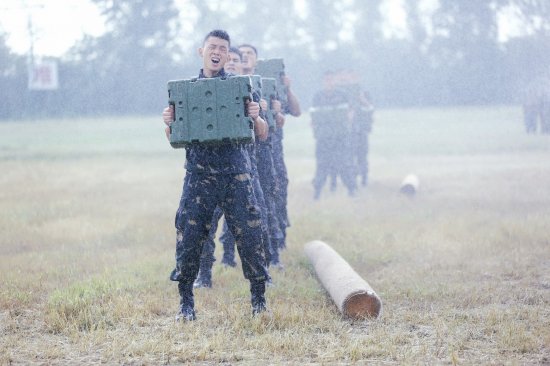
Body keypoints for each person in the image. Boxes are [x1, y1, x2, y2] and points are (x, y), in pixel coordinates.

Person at [162, 30, 269, 321]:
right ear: (202, 51)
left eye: (223, 48)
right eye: (212, 46)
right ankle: (186, 304)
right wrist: (168, 122)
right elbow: (174, 139)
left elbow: (262, 134)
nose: (217, 51)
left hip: (237, 174)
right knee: (190, 236)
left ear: (226, 54)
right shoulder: (186, 91)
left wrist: (256, 115)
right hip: (199, 175)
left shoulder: (242, 87)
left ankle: (259, 301)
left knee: (250, 235)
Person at [240, 44, 301, 256]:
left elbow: (295, 111)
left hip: (270, 151)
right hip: (241, 155)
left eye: (250, 54)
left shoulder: (267, 86)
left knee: (274, 195)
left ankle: (277, 241)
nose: (246, 57)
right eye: (242, 54)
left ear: (257, 60)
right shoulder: (231, 85)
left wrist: (286, 90)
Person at [310, 70, 356, 199]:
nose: (329, 82)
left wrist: (345, 127)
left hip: (340, 137)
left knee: (343, 164)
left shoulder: (343, 95)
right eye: (327, 80)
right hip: (323, 137)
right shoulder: (318, 97)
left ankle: (352, 190)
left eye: (331, 79)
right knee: (322, 165)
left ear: (335, 81)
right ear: (323, 81)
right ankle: (317, 193)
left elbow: (350, 113)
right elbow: (313, 118)